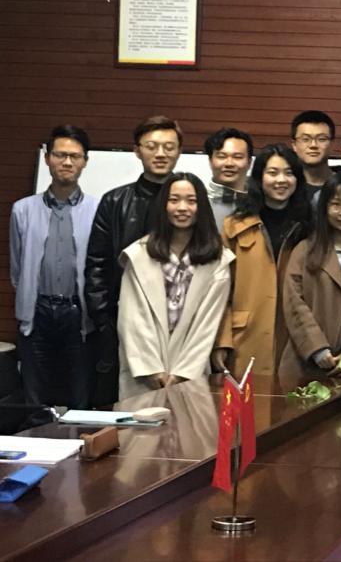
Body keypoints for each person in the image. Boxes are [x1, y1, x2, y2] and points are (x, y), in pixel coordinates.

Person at [85, 115, 183, 407]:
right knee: (124, 408)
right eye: (151, 146)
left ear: (179, 151)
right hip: (122, 323)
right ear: (137, 151)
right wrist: (105, 321)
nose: (160, 153)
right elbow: (97, 265)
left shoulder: (189, 202)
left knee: (178, 409)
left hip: (177, 325)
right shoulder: (115, 201)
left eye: (169, 146)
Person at [117, 173, 233, 399]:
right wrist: (152, 370)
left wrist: (182, 373)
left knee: (190, 421)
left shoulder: (218, 261)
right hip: (144, 373)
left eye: (191, 201)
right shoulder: (139, 255)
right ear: (163, 206)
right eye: (174, 200)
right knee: (142, 421)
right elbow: (132, 319)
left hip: (191, 373)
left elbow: (207, 325)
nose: (182, 208)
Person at [10, 125, 98, 411]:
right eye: (60, 155)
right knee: (34, 394)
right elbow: (17, 268)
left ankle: (80, 439)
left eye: (75, 156)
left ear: (85, 161)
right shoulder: (22, 209)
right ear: (48, 158)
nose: (67, 162)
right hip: (37, 311)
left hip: (78, 313)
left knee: (80, 394)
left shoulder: (98, 209)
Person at [214, 144, 312, 376]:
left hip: (295, 339)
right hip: (245, 338)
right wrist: (222, 341)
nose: (281, 180)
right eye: (273, 172)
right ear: (259, 178)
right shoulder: (235, 226)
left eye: (289, 173)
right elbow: (220, 290)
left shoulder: (309, 226)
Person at [279, 171, 341, 387]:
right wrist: (317, 348)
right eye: (336, 204)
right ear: (324, 208)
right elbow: (294, 304)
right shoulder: (304, 250)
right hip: (303, 362)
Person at [204, 127, 253, 230]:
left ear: (249, 163)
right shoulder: (198, 203)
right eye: (222, 156)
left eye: (237, 157)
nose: (229, 163)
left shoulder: (259, 204)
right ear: (210, 161)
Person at [291, 110, 338, 201]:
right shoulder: (286, 186)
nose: (313, 145)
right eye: (305, 139)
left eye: (321, 139)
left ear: (332, 144)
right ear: (294, 145)